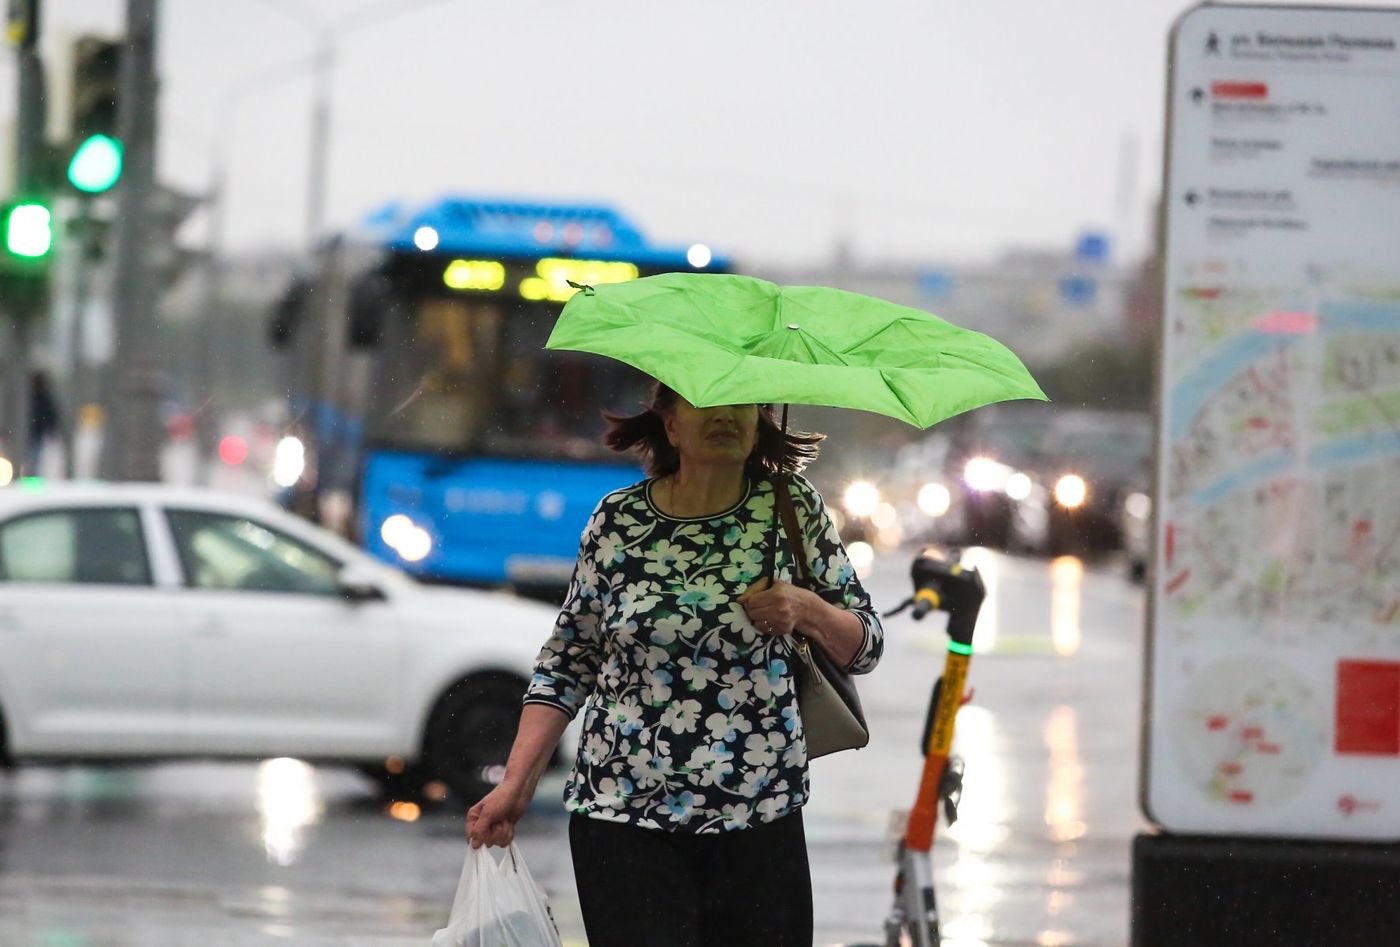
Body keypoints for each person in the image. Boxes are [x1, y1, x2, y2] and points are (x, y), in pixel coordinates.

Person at [466, 381, 884, 947]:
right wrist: (516, 785)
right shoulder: (618, 522)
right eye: (706, 399)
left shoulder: (792, 507)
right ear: (670, 424)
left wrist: (807, 610)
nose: (726, 415)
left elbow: (866, 644)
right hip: (623, 816)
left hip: (759, 817)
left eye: (743, 400)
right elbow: (567, 662)